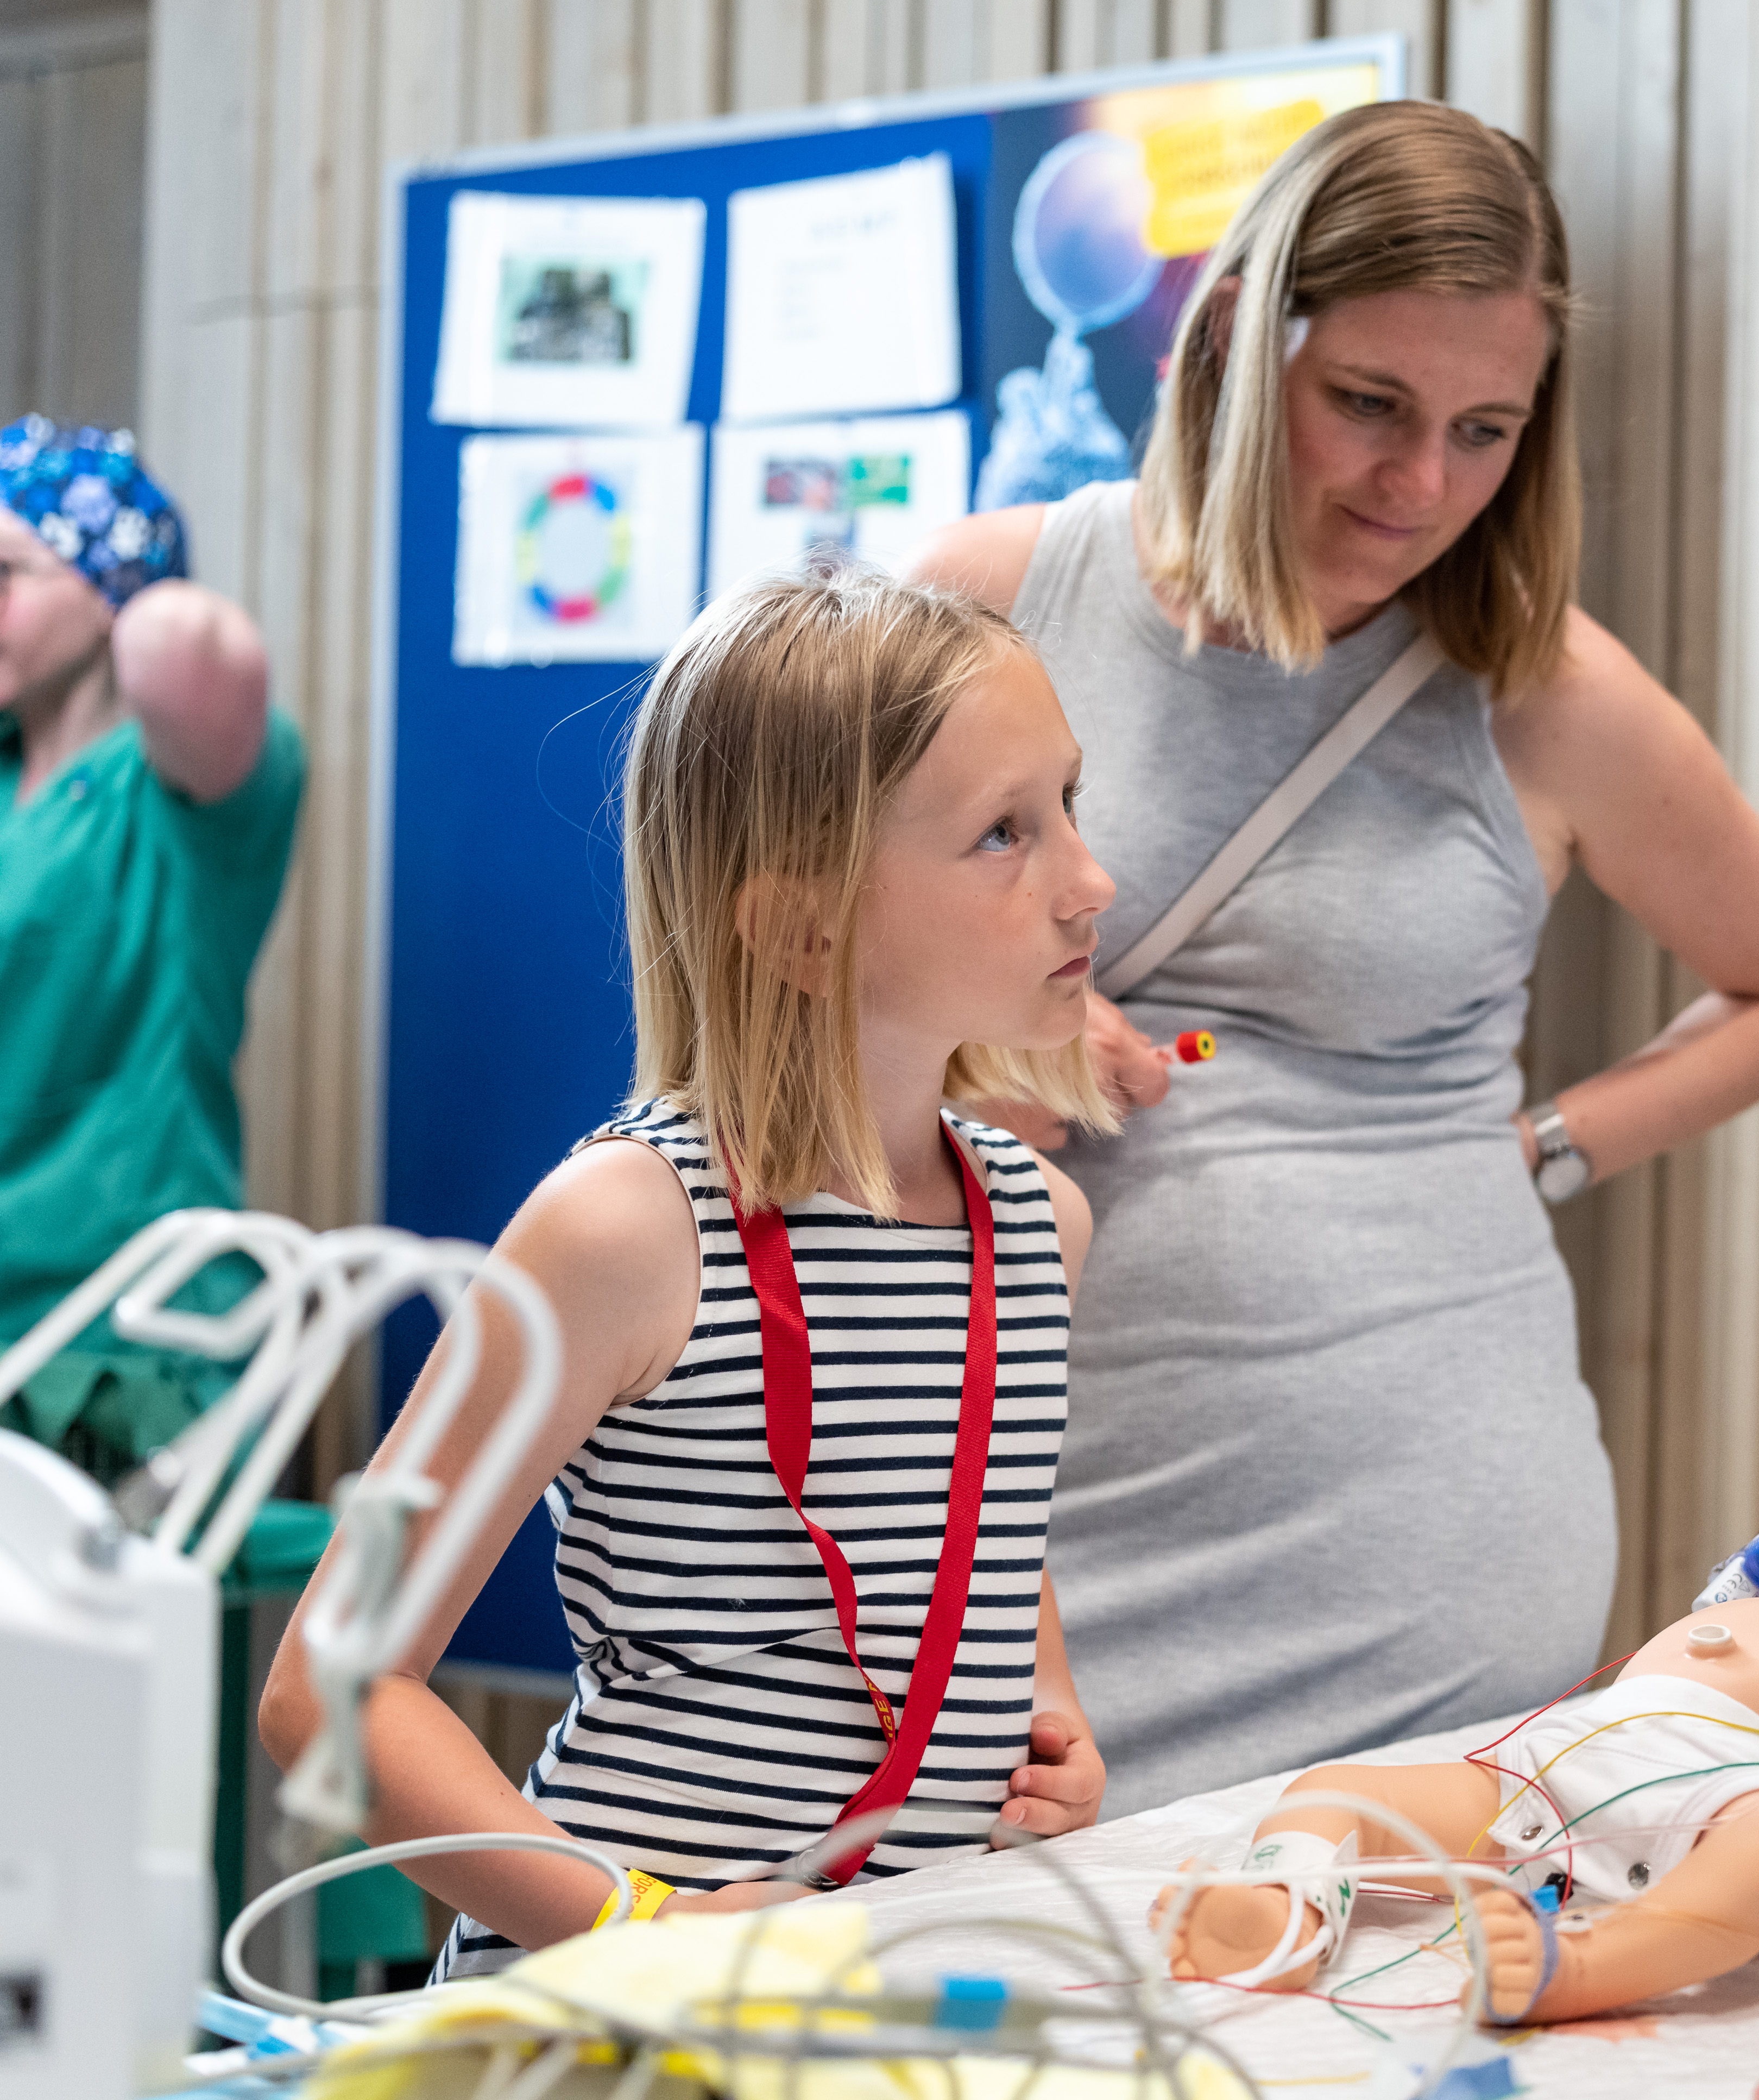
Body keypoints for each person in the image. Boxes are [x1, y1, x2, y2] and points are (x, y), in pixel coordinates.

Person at [913, 100, 1759, 1813]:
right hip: (1030, 1542)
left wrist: (1539, 1151)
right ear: (1230, 341)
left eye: (1485, 429)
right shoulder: (994, 597)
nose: (1420, 484)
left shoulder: (1544, 690)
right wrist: (985, 1048)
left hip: (1424, 1550)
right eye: (1368, 404)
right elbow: (784, 993)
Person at [259, 571, 1123, 1973]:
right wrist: (647, 1930)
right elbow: (325, 1688)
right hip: (615, 2007)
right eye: (1004, 835)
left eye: (1071, 804)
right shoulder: (622, 1227)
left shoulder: (1038, 1224)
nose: (1091, 880)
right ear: (798, 928)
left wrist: (1046, 1724)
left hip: (878, 1995)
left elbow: (975, 1538)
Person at [1156, 1488, 1759, 2022]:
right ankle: (1287, 1910)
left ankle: (1586, 1968)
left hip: (1751, 1790)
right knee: (1340, 1788)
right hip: (1573, 1750)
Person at [0, 415, 299, 1478]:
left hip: (114, 1339)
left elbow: (189, 651)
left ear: (110, 582)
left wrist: (138, 583)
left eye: (9, 571)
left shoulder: (180, 793)